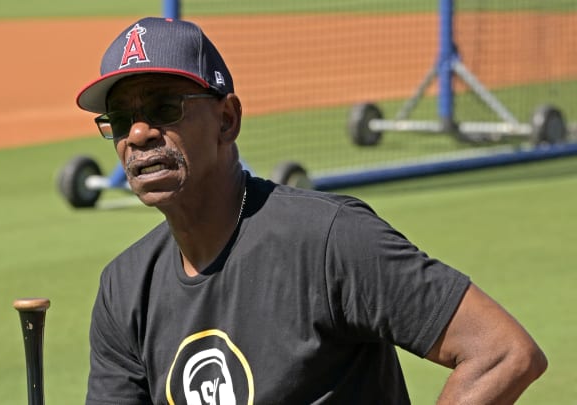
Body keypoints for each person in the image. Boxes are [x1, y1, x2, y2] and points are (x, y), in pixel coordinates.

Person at [75, 17, 547, 404]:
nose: (137, 135)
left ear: (227, 119)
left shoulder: (330, 240)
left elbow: (502, 352)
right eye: (119, 120)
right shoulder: (125, 287)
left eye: (164, 107)